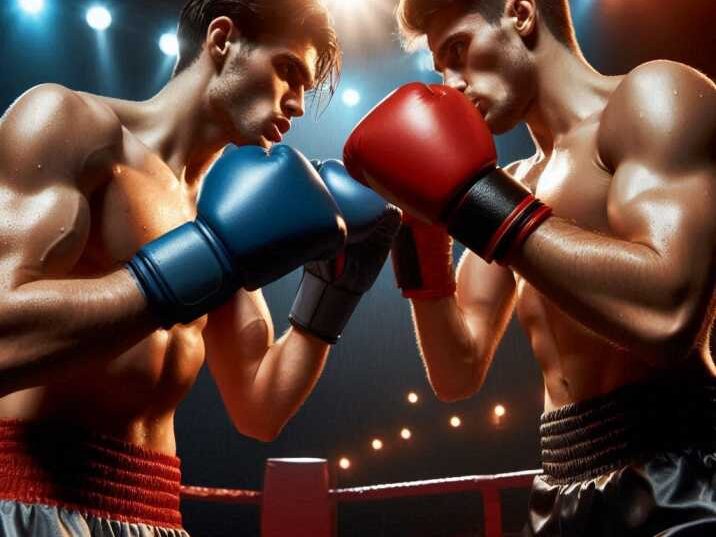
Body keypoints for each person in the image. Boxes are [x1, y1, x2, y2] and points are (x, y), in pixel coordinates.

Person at [0, 0, 399, 535]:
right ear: (222, 39)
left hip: (155, 514)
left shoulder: (226, 206)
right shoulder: (71, 122)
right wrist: (206, 255)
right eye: (287, 70)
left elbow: (260, 406)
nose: (299, 105)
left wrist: (334, 289)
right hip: (34, 503)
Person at [342, 0, 716, 535]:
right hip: (558, 490)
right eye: (440, 69)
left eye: (459, 51)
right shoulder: (513, 182)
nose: (451, 85)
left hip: (675, 475)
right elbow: (456, 371)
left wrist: (476, 203)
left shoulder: (651, 97)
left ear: (519, 12)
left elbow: (668, 314)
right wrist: (418, 232)